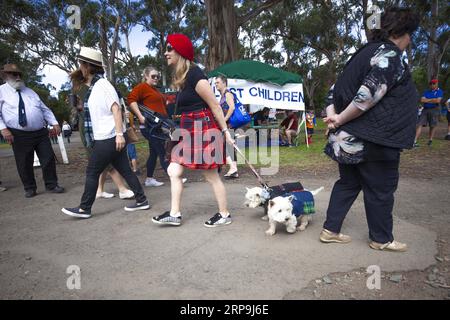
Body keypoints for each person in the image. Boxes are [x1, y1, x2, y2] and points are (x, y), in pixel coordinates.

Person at [322, 7, 420, 252]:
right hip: (375, 139)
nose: (410, 41)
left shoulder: (361, 54)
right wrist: (341, 118)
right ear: (402, 32)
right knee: (380, 189)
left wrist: (333, 116)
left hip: (349, 138)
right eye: (410, 35)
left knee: (348, 183)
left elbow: (334, 90)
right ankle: (381, 238)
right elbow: (368, 94)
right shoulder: (390, 55)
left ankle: (330, 230)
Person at [151, 33, 234, 227]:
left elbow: (214, 105)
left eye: (169, 48)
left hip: (202, 126)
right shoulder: (183, 77)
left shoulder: (196, 74)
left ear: (180, 51)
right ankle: (175, 214)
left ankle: (224, 215)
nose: (165, 52)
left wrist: (225, 131)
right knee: (173, 170)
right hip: (188, 128)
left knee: (211, 176)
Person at [62, 47, 149, 218]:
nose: (80, 67)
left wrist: (118, 134)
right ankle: (142, 200)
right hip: (109, 137)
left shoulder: (103, 85)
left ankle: (84, 208)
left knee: (92, 171)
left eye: (81, 64)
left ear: (88, 66)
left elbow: (116, 109)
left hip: (109, 137)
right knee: (125, 170)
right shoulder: (95, 87)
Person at [0, 63, 64, 198]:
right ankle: (29, 188)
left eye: (19, 74)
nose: (17, 77)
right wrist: (3, 129)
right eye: (13, 74)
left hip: (40, 132)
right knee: (24, 162)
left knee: (48, 158)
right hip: (18, 134)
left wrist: (54, 123)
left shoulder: (30, 91)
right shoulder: (1, 91)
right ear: (5, 75)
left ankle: (51, 184)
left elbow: (44, 109)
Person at [70, 68, 135, 201]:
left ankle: (99, 191)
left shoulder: (102, 85)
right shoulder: (80, 89)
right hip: (89, 129)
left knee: (106, 162)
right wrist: (78, 107)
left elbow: (116, 107)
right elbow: (77, 108)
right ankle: (122, 189)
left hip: (106, 129)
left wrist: (119, 131)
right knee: (102, 163)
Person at [128, 67, 177, 187]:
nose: (156, 78)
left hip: (159, 125)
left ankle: (149, 179)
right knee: (162, 151)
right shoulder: (142, 87)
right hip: (150, 127)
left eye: (157, 76)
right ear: (146, 76)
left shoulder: (155, 90)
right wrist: (140, 116)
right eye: (153, 76)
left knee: (154, 153)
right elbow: (131, 100)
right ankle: (175, 177)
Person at [214, 75, 239, 179]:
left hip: (228, 124)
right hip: (228, 124)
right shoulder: (223, 95)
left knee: (222, 146)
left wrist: (224, 120)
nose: (216, 85)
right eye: (215, 83)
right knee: (229, 146)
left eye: (218, 82)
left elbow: (232, 108)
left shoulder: (228, 94)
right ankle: (234, 170)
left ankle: (233, 168)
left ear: (224, 83)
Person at [414, 79, 443, 147]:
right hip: (425, 109)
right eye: (431, 84)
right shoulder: (426, 91)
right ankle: (414, 141)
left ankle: (430, 140)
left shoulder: (439, 91)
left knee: (432, 126)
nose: (432, 85)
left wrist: (427, 100)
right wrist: (432, 99)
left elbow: (438, 101)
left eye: (434, 83)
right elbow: (422, 100)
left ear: (436, 84)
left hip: (434, 110)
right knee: (419, 124)